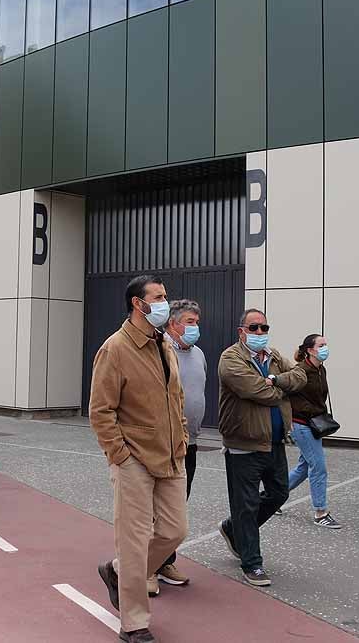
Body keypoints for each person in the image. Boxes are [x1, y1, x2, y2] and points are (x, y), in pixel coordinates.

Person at [90, 275, 188, 643]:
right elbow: (100, 411)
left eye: (165, 295)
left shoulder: (164, 345)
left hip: (170, 454)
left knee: (174, 530)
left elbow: (174, 399)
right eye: (159, 297)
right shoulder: (115, 349)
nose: (165, 302)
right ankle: (133, 623)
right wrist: (121, 455)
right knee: (133, 540)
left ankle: (118, 572)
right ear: (137, 303)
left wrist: (182, 437)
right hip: (132, 458)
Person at [217, 308, 306, 587]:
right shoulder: (231, 358)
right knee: (246, 504)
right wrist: (280, 389)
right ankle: (252, 562)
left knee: (279, 493)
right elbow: (256, 391)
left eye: (264, 328)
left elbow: (301, 376)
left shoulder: (274, 356)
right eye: (253, 328)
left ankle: (234, 530)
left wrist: (276, 380)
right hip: (244, 442)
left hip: (274, 441)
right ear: (241, 331)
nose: (259, 333)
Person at [154, 299, 207, 590]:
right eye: (190, 322)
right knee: (157, 509)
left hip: (192, 443)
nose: (195, 327)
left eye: (197, 322)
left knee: (177, 508)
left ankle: (165, 561)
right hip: (165, 442)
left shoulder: (198, 354)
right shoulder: (160, 350)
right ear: (173, 324)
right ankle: (146, 566)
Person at [286, 334, 341, 529]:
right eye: (321, 345)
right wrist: (315, 413)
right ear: (310, 350)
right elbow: (292, 399)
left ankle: (273, 496)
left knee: (304, 467)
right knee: (318, 467)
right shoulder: (300, 371)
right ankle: (320, 512)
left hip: (313, 423)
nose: (326, 348)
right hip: (302, 424)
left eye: (326, 344)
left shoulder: (320, 369)